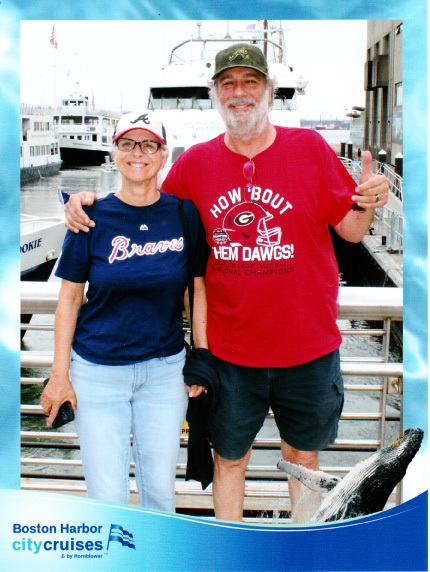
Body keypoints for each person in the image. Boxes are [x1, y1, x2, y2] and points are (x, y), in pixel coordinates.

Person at [63, 44, 389, 522]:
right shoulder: (195, 162)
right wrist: (86, 203)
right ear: (216, 94)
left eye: (250, 82)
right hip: (230, 353)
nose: (240, 93)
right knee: (228, 461)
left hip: (310, 348)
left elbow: (351, 231)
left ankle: (302, 551)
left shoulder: (310, 149)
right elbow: (143, 204)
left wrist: (366, 200)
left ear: (269, 92)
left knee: (305, 462)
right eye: (229, 84)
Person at [41, 111, 209, 512]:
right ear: (114, 152)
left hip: (164, 374)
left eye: (149, 144)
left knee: (160, 497)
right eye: (128, 144)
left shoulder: (184, 215)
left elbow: (195, 291)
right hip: (97, 373)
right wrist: (59, 375)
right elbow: (68, 299)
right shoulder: (90, 216)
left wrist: (201, 357)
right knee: (108, 499)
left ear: (164, 154)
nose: (139, 153)